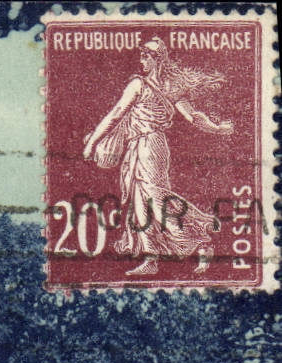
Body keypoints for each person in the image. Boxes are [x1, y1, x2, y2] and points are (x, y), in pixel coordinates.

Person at [81, 38, 233, 276]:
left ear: (156, 59)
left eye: (145, 57)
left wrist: (92, 143)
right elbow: (193, 116)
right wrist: (216, 128)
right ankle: (151, 258)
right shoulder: (163, 86)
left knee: (154, 198)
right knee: (140, 202)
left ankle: (201, 239)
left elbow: (115, 115)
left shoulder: (142, 86)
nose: (141, 62)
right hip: (142, 146)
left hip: (149, 145)